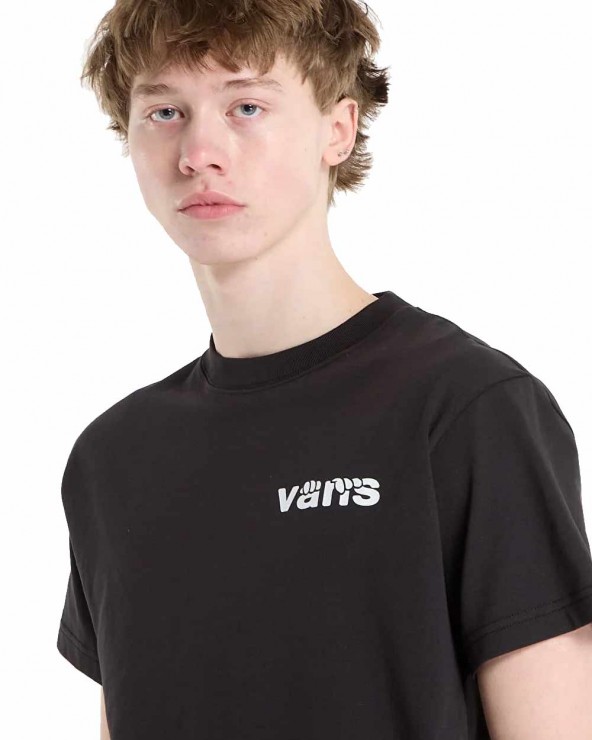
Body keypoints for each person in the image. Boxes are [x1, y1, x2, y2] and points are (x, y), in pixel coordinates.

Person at [56, 1, 592, 738]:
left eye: (246, 106)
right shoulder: (111, 460)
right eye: (165, 112)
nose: (199, 153)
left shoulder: (466, 409)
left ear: (337, 130)